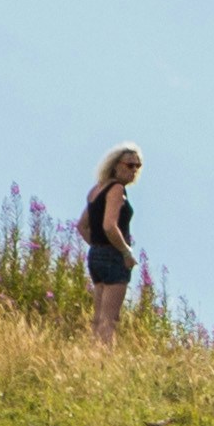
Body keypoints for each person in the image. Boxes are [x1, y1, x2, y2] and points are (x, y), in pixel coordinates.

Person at [76, 145, 142, 341]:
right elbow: (109, 226)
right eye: (130, 165)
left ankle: (93, 355)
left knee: (98, 317)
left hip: (96, 256)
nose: (134, 171)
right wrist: (125, 252)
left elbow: (82, 226)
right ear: (115, 166)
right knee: (109, 318)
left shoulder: (97, 190)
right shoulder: (116, 189)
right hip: (114, 257)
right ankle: (104, 360)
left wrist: (97, 247)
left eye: (138, 166)